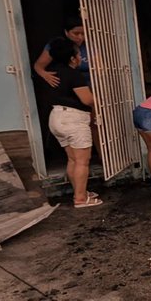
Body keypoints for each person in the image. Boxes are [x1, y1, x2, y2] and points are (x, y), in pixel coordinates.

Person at [45, 36, 101, 209]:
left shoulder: (52, 72)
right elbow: (86, 99)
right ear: (72, 58)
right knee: (83, 161)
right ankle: (80, 199)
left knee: (72, 159)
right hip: (73, 120)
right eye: (78, 54)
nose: (79, 57)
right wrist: (99, 99)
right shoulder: (73, 74)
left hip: (56, 117)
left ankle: (80, 192)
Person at [33, 17, 89, 88]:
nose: (80, 37)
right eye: (76, 33)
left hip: (89, 84)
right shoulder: (58, 46)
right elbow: (38, 66)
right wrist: (45, 75)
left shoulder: (89, 45)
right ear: (66, 32)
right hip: (67, 85)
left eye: (83, 34)